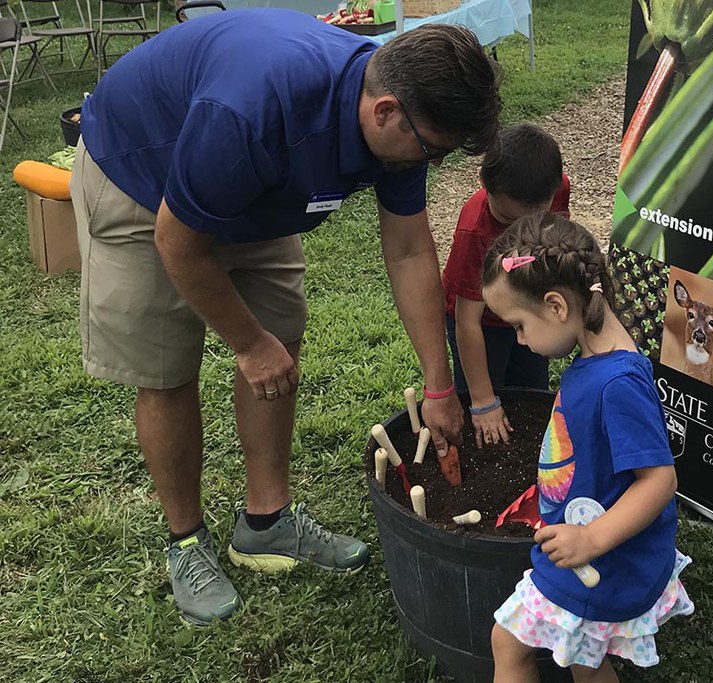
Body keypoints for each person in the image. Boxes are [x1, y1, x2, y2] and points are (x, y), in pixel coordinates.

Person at [70, 9, 500, 626]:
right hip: (146, 180)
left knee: (283, 340)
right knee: (166, 367)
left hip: (256, 190)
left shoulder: (396, 124)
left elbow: (408, 249)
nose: (430, 165)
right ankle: (186, 541)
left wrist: (439, 383)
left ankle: (266, 522)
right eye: (431, 151)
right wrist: (247, 344)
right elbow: (178, 244)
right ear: (384, 113)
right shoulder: (254, 107)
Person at [480, 213, 694, 682]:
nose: (518, 339)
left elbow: (660, 480)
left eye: (518, 324)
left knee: (507, 641)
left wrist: (590, 539)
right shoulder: (596, 353)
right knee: (586, 658)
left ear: (556, 306)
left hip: (601, 557)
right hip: (590, 547)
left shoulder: (617, 382)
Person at [442, 124, 570, 448]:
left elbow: (559, 230)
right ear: (485, 185)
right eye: (509, 221)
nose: (521, 233)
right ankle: (480, 452)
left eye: (532, 220)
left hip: (527, 310)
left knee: (532, 389)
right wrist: (483, 401)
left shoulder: (556, 188)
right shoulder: (476, 231)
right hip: (481, 322)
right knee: (485, 393)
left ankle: (529, 453)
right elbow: (466, 321)